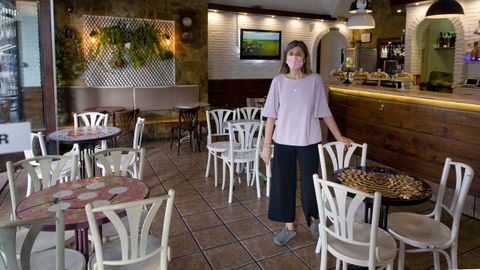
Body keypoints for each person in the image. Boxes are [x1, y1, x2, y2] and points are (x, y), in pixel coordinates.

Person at [261, 40, 352, 246]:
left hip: (309, 141)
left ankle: (314, 222)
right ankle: (289, 227)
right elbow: (271, 117)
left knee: (311, 184)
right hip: (283, 142)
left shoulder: (315, 81)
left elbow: (324, 112)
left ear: (305, 59)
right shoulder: (278, 82)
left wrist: (338, 136)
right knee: (283, 184)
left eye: (299, 54)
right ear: (286, 57)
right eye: (291, 53)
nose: (295, 57)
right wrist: (266, 146)